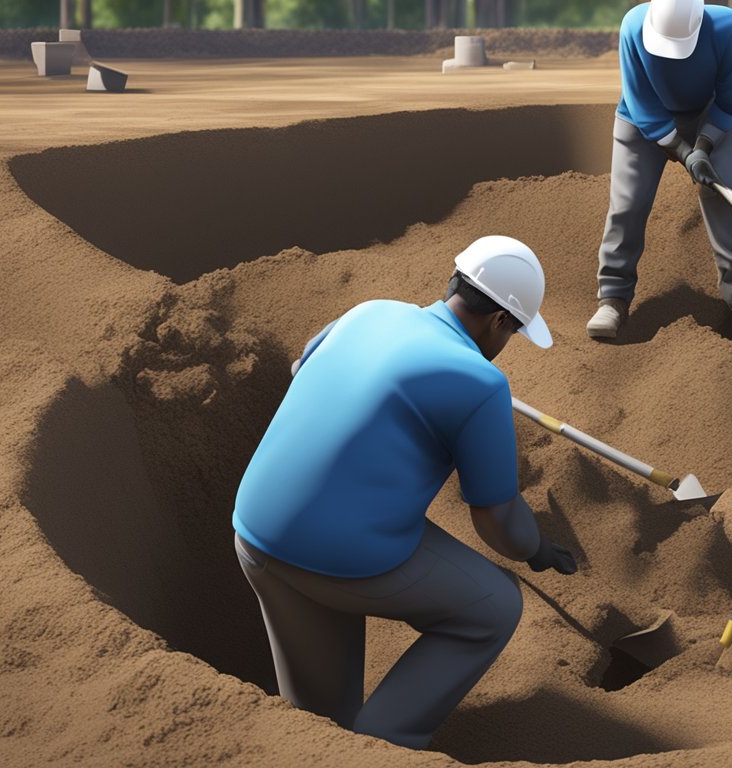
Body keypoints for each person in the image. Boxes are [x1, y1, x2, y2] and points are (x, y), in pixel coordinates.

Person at [232, 236, 578, 749]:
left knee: (322, 723)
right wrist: (538, 551)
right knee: (494, 607)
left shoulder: (368, 312)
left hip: (257, 535)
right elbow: (497, 518)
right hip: (345, 555)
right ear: (501, 321)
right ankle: (388, 744)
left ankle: (337, 749)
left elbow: (301, 370)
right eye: (515, 331)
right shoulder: (480, 382)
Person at [587, 0, 732, 346]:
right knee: (628, 203)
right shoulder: (633, 27)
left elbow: (731, 102)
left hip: (709, 115)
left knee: (725, 199)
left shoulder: (727, 28)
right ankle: (613, 297)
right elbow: (643, 106)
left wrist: (704, 145)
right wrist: (685, 153)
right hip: (641, 119)